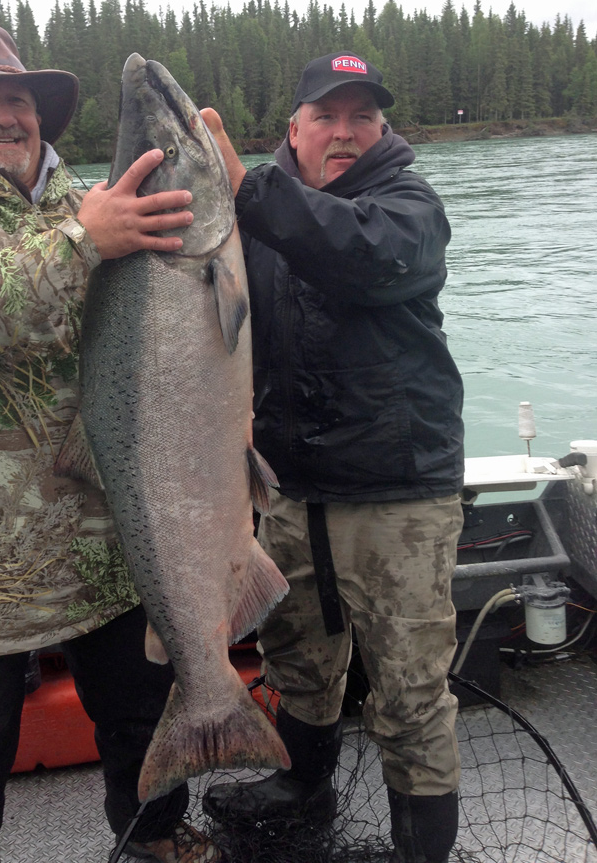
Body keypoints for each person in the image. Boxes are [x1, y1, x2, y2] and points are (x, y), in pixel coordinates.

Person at [0, 24, 222, 863]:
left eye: (16, 100)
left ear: (39, 114)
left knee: (142, 730)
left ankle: (157, 845)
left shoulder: (92, 196)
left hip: (114, 533)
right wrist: (81, 245)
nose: (2, 116)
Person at [199, 52, 465, 863]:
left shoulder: (408, 207)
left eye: (363, 117)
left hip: (396, 495)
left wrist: (250, 191)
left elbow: (355, 253)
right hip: (290, 492)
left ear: (383, 129)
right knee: (297, 662)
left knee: (410, 691)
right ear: (295, 129)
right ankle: (301, 787)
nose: (344, 132)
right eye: (327, 115)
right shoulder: (253, 213)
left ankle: (420, 849)